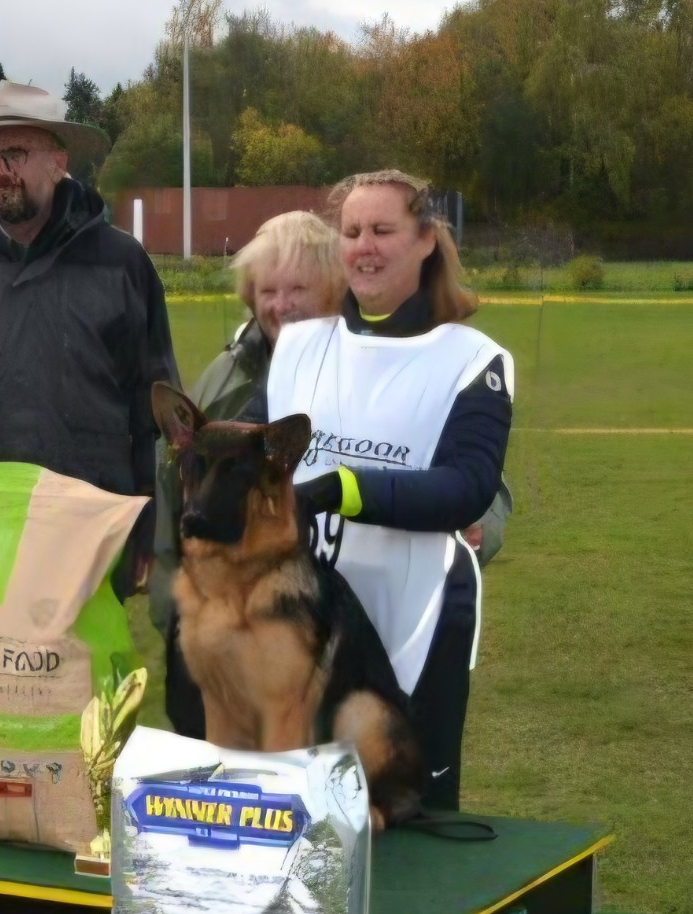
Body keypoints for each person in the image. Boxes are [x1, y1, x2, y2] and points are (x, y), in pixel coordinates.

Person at [0, 79, 180, 673]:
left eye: (14, 155)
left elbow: (153, 414)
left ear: (58, 160)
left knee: (83, 723)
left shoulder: (122, 264)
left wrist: (147, 533)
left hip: (87, 541)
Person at [267, 170, 513, 811]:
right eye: (350, 232)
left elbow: (466, 488)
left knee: (407, 824)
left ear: (426, 239)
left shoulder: (474, 358)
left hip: (420, 620)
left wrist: (344, 488)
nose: (363, 246)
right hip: (303, 622)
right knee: (303, 817)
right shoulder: (295, 347)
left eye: (382, 230)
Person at [151, 211, 347, 737]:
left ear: (334, 288)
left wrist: (485, 517)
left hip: (326, 618)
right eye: (267, 290)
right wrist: (170, 600)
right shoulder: (227, 373)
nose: (280, 305)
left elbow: (425, 454)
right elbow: (176, 484)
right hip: (214, 615)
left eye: (297, 288)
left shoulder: (367, 366)